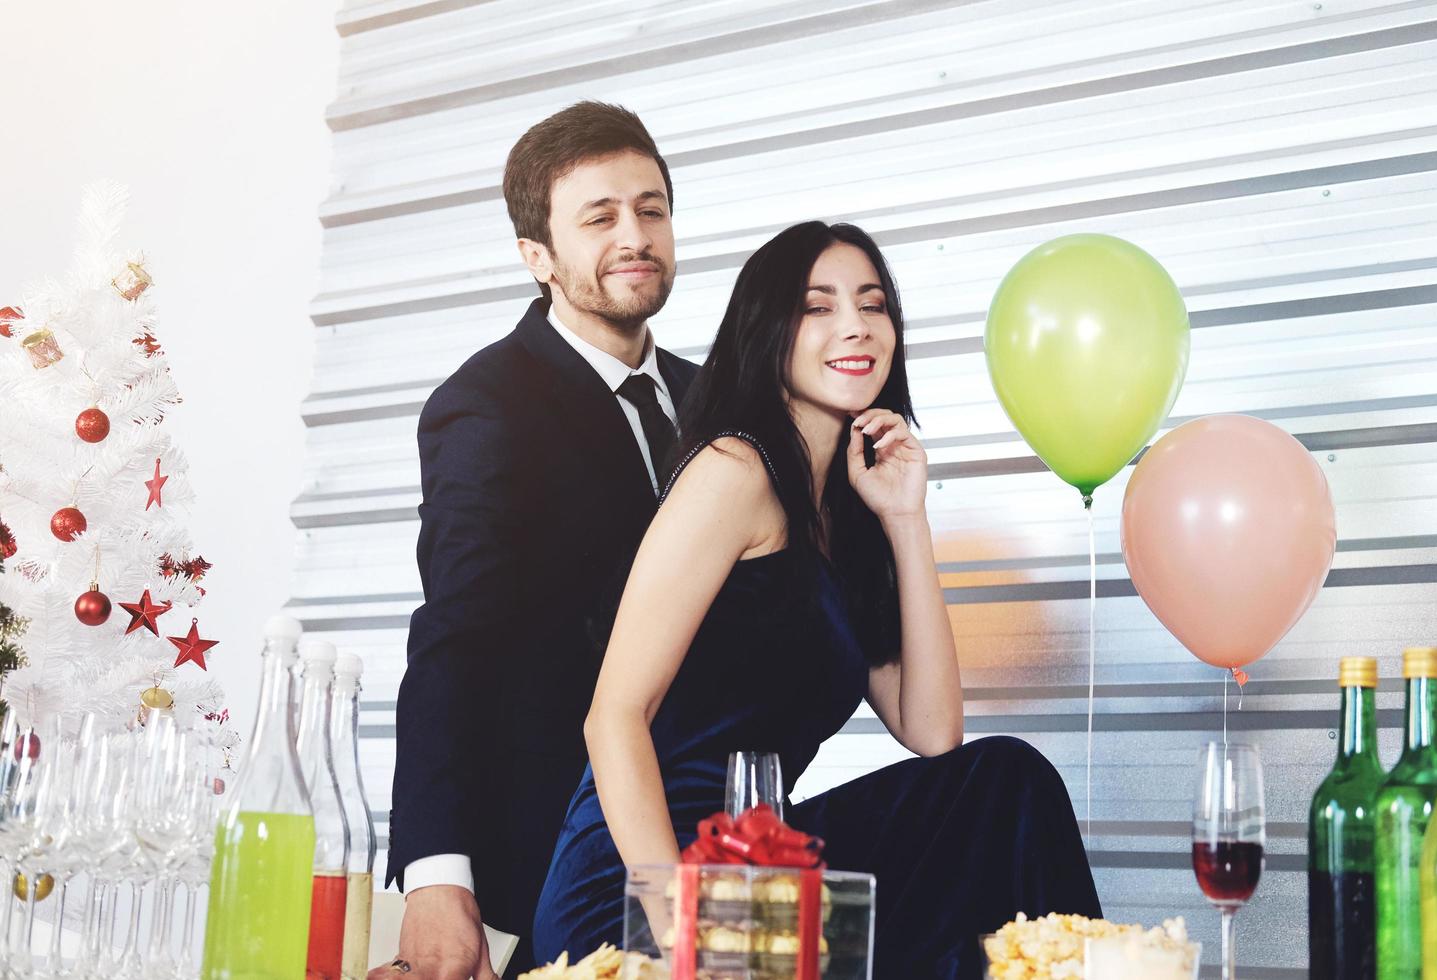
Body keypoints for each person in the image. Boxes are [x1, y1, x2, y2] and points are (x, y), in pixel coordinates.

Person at [533, 221, 1102, 977]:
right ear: (769, 330)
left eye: (872, 305)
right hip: (638, 884)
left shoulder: (844, 514)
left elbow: (932, 733)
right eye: (818, 306)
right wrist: (679, 923)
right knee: (1005, 787)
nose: (854, 327)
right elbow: (613, 718)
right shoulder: (735, 471)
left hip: (758, 872)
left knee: (1001, 783)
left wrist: (904, 517)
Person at [376, 102, 697, 980]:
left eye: (652, 209)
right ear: (538, 257)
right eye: (599, 218)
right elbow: (454, 635)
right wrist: (436, 876)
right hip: (556, 865)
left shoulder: (722, 405)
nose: (635, 236)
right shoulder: (487, 404)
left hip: (712, 838)